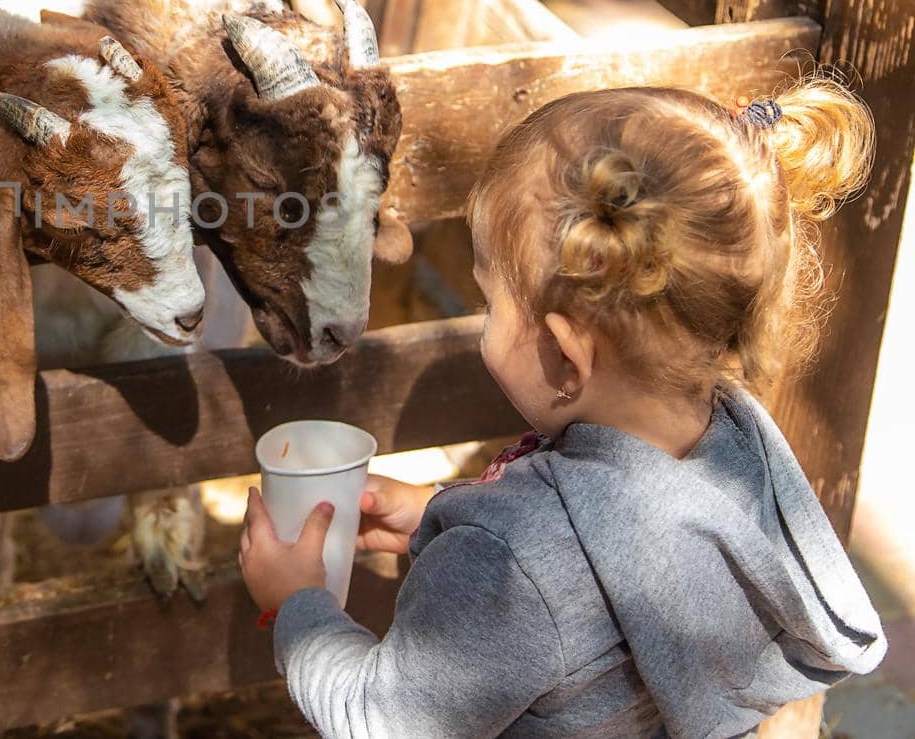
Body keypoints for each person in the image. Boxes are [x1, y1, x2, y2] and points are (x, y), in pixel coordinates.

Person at [239, 80, 888, 737]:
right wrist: (444, 511)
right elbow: (597, 564)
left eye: (490, 301)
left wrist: (299, 603)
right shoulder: (739, 445)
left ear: (565, 354)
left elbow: (381, 719)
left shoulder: (511, 559)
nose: (484, 320)